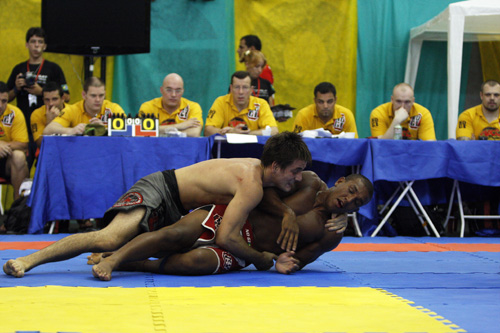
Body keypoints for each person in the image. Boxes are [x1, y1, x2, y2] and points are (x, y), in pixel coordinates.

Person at [3, 132, 312, 278]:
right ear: (275, 165)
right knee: (108, 236)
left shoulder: (259, 174)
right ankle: (29, 261)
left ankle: (111, 258)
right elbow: (226, 239)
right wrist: (261, 258)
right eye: (295, 171)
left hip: (173, 203)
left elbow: (303, 186)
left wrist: (290, 212)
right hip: (160, 191)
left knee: (172, 250)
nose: (298, 179)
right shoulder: (252, 184)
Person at [91, 172, 373, 280]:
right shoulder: (309, 181)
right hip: (236, 218)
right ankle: (114, 257)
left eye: (355, 202)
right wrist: (286, 211)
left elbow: (300, 258)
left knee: (196, 261)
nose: (347, 200)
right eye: (349, 190)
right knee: (175, 234)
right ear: (340, 182)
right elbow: (270, 188)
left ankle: (133, 264)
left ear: (356, 209)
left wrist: (285, 262)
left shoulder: (331, 233)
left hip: (246, 249)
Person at [7, 27, 70, 166]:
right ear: (26, 44)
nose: (36, 45)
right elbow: (6, 98)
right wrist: (17, 88)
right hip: (22, 126)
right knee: (21, 166)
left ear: (45, 46)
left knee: (49, 167)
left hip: (47, 124)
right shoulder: (19, 68)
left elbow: (67, 96)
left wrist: (41, 92)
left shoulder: (54, 68)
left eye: (40, 42)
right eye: (33, 41)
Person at [204, 71, 278, 136]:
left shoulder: (261, 104)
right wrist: (231, 132)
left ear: (251, 90)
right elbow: (208, 131)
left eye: (245, 87)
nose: (241, 92)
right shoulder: (221, 102)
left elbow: (274, 131)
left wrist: (247, 134)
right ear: (231, 88)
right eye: (237, 87)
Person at [43, 77, 125, 135]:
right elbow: (47, 130)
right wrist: (71, 130)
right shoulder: (72, 110)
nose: (98, 100)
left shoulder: (114, 109)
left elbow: (129, 131)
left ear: (105, 94)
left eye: (101, 95)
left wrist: (105, 130)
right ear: (84, 95)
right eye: (93, 96)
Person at [138, 73, 203, 137]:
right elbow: (142, 131)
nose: (173, 95)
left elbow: (195, 133)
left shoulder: (193, 107)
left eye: (178, 90)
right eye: (169, 90)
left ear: (182, 91)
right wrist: (180, 126)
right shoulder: (148, 107)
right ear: (161, 90)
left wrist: (159, 132)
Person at [370, 83, 436, 140]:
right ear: (392, 99)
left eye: (407, 102)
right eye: (398, 101)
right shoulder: (378, 113)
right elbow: (380, 146)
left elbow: (429, 146)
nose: (402, 106)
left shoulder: (423, 114)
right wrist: (396, 121)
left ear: (413, 101)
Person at [293, 82, 358, 137]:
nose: (325, 106)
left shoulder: (345, 115)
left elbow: (354, 145)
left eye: (329, 101)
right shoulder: (303, 115)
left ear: (335, 100)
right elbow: (294, 145)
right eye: (321, 102)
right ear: (315, 101)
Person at [0, 82, 30, 202]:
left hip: (6, 162)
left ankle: (17, 210)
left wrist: (3, 146)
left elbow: (23, 144)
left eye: (4, 101)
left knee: (18, 156)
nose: (0, 105)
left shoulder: (14, 113)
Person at [30, 82, 67, 147]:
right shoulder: (37, 114)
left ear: (63, 98)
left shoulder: (73, 111)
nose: (51, 104)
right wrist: (49, 122)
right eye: (47, 100)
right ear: (43, 100)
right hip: (48, 151)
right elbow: (40, 144)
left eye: (54, 99)